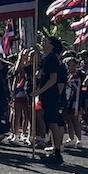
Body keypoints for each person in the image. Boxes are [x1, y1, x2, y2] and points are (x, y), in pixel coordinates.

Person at [35, 36, 69, 166]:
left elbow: (53, 79)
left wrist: (40, 91)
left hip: (51, 95)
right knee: (55, 122)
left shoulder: (52, 59)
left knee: (52, 121)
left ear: (52, 45)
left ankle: (57, 152)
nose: (43, 43)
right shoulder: (47, 58)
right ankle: (56, 149)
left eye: (46, 41)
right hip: (50, 95)